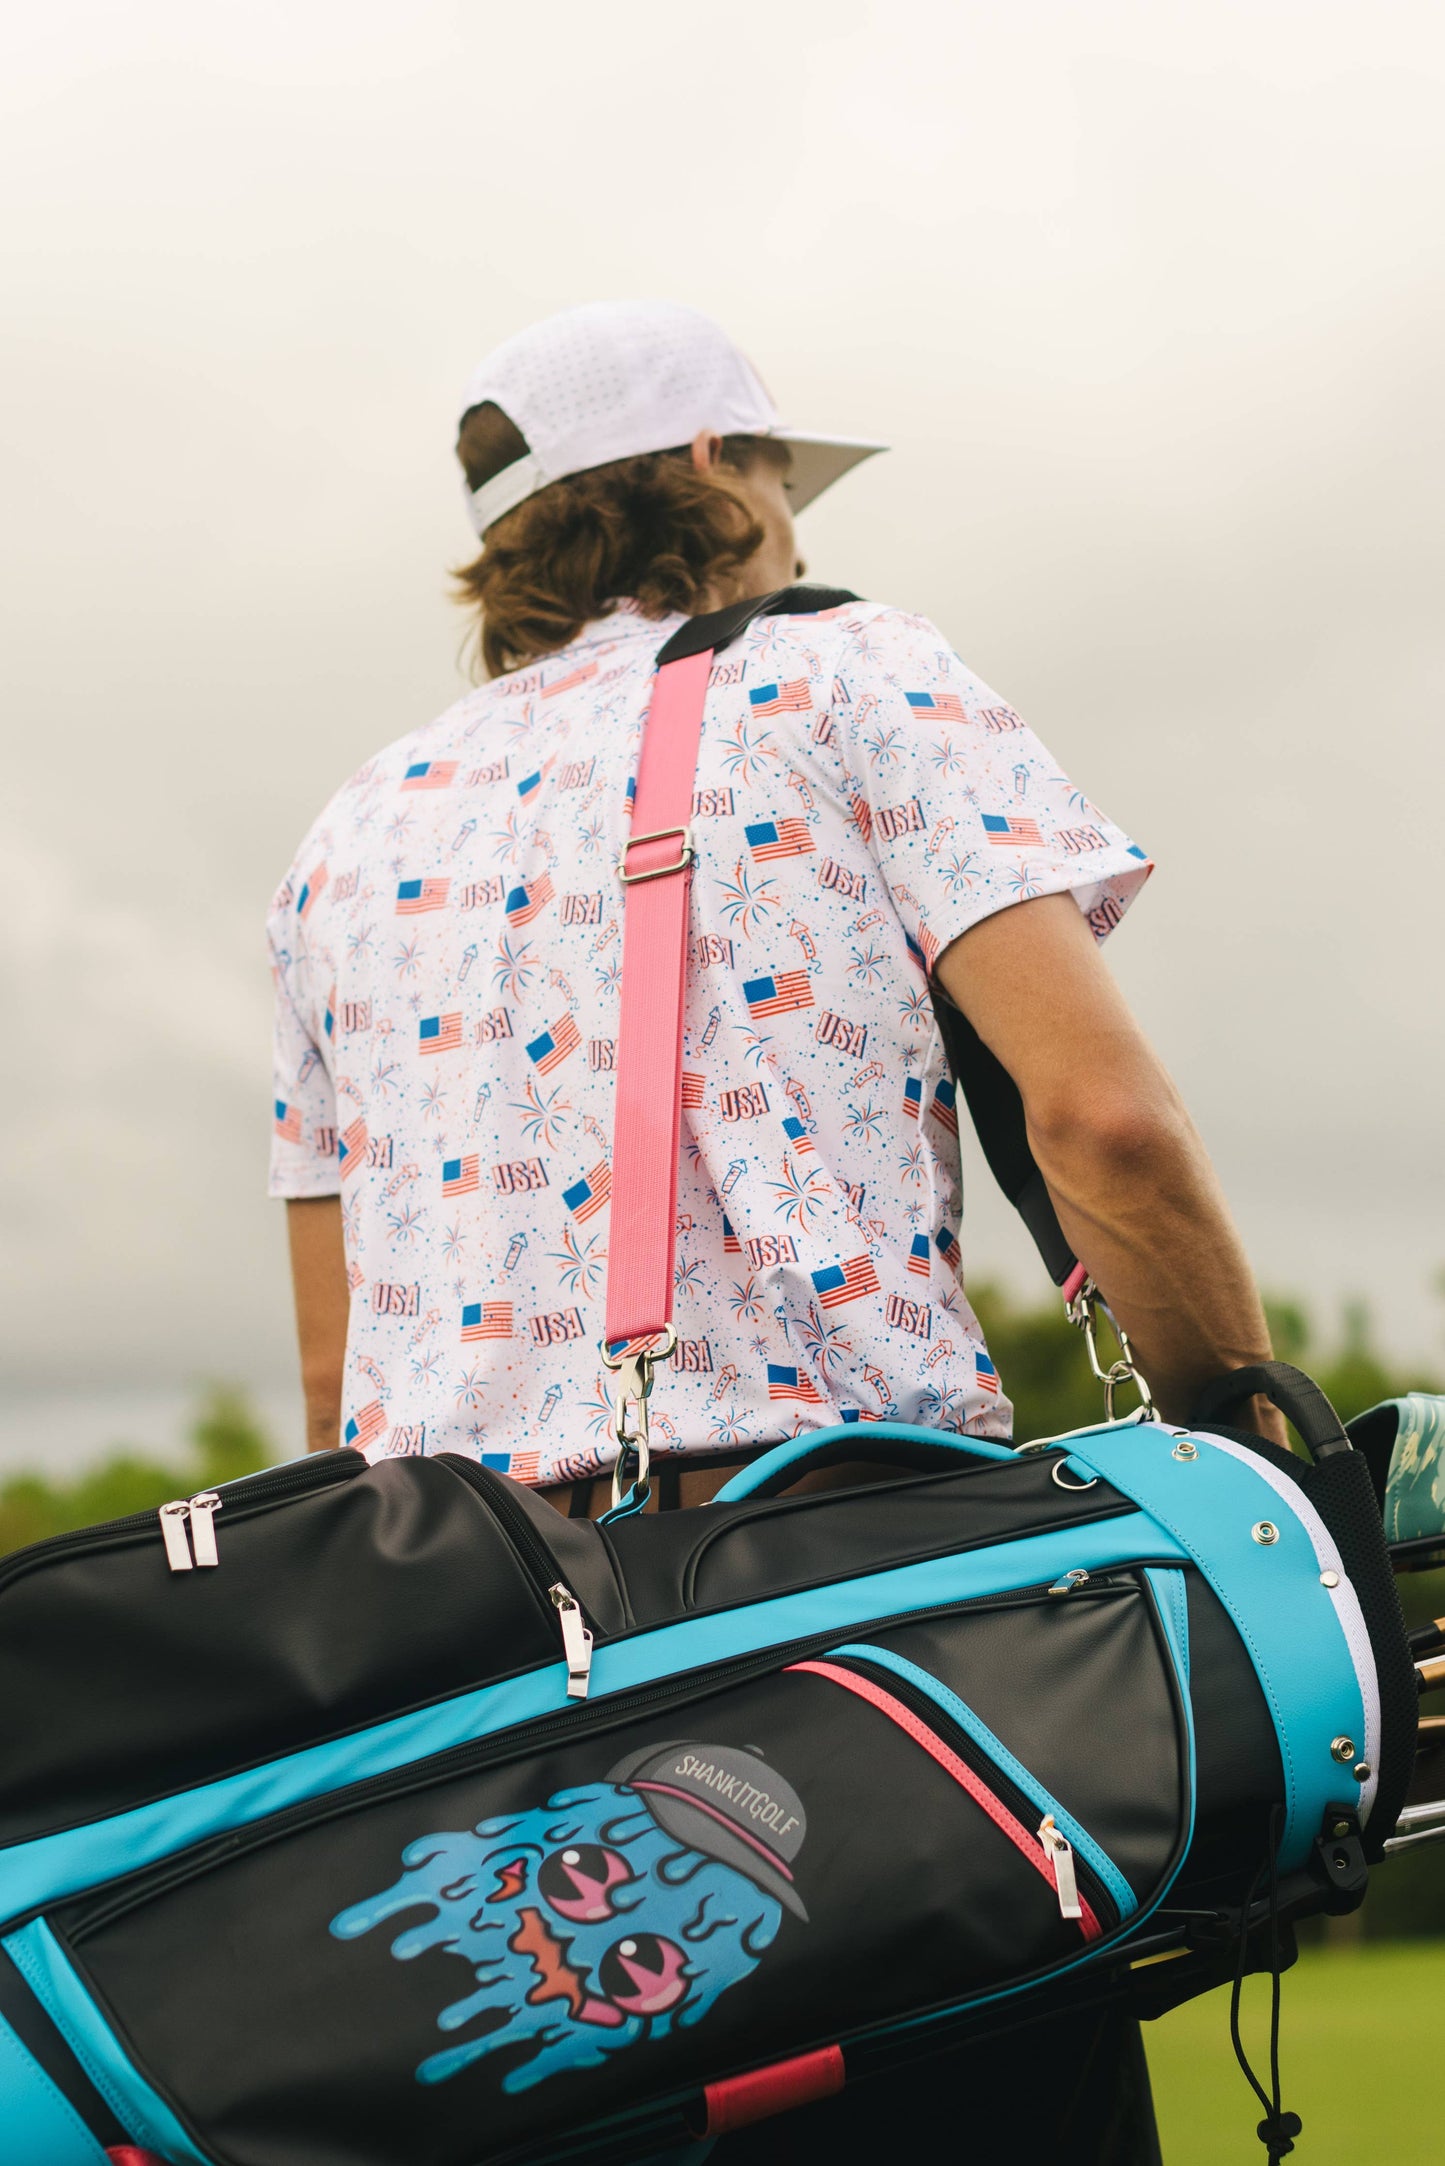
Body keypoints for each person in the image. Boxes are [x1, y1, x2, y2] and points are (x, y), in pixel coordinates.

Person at [267, 297, 1284, 2158]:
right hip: (851, 1629)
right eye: (779, 473)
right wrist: (1246, 1414)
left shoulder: (343, 833)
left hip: (472, 1701)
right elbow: (1101, 1121)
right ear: (721, 475)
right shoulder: (851, 676)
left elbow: (338, 1376)